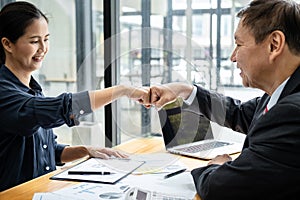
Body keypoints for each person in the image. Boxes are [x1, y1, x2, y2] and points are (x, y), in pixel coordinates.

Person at [148, 0, 300, 199]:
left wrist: (215, 166)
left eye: (238, 44)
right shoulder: (281, 95)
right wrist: (185, 91)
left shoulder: (292, 112)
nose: (233, 57)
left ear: (274, 45)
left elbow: (220, 188)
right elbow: (238, 113)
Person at [0, 1, 149, 192]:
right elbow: (62, 107)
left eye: (46, 39)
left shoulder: (33, 90)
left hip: (43, 191)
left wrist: (87, 151)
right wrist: (122, 90)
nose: (43, 48)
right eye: (34, 41)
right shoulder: (5, 93)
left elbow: (47, 151)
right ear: (7, 44)